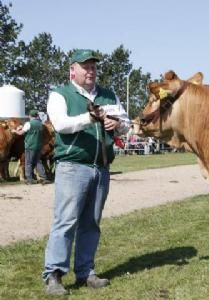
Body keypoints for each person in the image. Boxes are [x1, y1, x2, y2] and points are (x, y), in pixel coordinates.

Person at [43, 49, 130, 295]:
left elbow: (125, 125)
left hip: (101, 168)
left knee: (91, 223)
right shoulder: (60, 94)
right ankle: (54, 275)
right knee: (66, 220)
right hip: (72, 166)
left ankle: (85, 272)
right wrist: (90, 118)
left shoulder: (108, 95)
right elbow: (61, 124)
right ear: (73, 70)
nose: (91, 71)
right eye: (85, 67)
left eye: (93, 67)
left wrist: (118, 124)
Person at [12, 109, 50, 185]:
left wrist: (15, 131)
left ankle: (29, 179)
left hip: (30, 145)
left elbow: (21, 133)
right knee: (38, 162)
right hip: (39, 146)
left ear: (30, 116)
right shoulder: (41, 124)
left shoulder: (28, 124)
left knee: (28, 162)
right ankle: (44, 178)